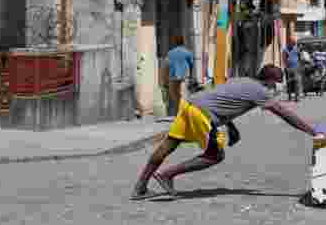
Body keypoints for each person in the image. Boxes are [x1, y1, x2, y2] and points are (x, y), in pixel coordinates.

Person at [131, 65, 316, 200]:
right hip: (204, 113)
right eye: (274, 83)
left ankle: (140, 187)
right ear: (268, 80)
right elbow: (285, 114)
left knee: (169, 144)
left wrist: (231, 126)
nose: (274, 87)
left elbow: (226, 100)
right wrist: (311, 131)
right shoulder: (260, 91)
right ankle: (167, 175)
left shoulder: (243, 80)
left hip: (190, 105)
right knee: (215, 155)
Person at [166, 35, 195, 117]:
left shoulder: (170, 53)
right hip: (184, 76)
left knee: (174, 95)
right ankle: (185, 112)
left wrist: (165, 78)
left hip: (172, 75)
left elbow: (167, 65)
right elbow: (191, 64)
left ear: (175, 42)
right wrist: (191, 75)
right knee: (184, 94)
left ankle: (178, 112)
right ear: (183, 42)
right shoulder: (187, 52)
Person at [282, 37, 302, 102]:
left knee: (297, 83)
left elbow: (299, 57)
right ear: (289, 43)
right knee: (289, 84)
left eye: (294, 43)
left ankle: (297, 97)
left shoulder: (296, 49)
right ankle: (290, 96)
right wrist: (286, 67)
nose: (293, 45)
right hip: (288, 68)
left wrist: (299, 65)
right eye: (292, 43)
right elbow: (284, 59)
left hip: (296, 68)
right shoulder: (285, 50)